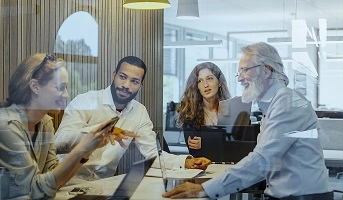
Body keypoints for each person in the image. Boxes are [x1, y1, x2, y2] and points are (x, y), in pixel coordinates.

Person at [163, 42, 332, 199]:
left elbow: (262, 160)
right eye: (240, 71)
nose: (239, 78)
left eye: (245, 70)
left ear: (266, 70)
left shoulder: (287, 104)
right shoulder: (272, 105)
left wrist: (205, 189)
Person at [54, 56, 211, 182]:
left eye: (134, 81)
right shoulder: (85, 101)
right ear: (113, 75)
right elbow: (58, 142)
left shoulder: (139, 111)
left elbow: (152, 153)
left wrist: (186, 162)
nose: (126, 85)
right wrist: (99, 133)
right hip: (65, 183)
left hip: (102, 186)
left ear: (140, 85)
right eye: (122, 77)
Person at [0, 53, 111, 199]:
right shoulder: (6, 125)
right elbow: (32, 189)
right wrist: (82, 148)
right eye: (60, 87)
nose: (66, 95)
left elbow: (54, 176)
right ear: (35, 86)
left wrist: (88, 151)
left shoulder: (45, 122)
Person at [176, 62, 231, 156]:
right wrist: (220, 141)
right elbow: (196, 152)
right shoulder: (190, 115)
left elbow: (240, 145)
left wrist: (205, 141)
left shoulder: (233, 110)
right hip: (204, 168)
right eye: (200, 81)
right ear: (197, 87)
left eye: (209, 78)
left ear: (219, 82)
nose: (205, 85)